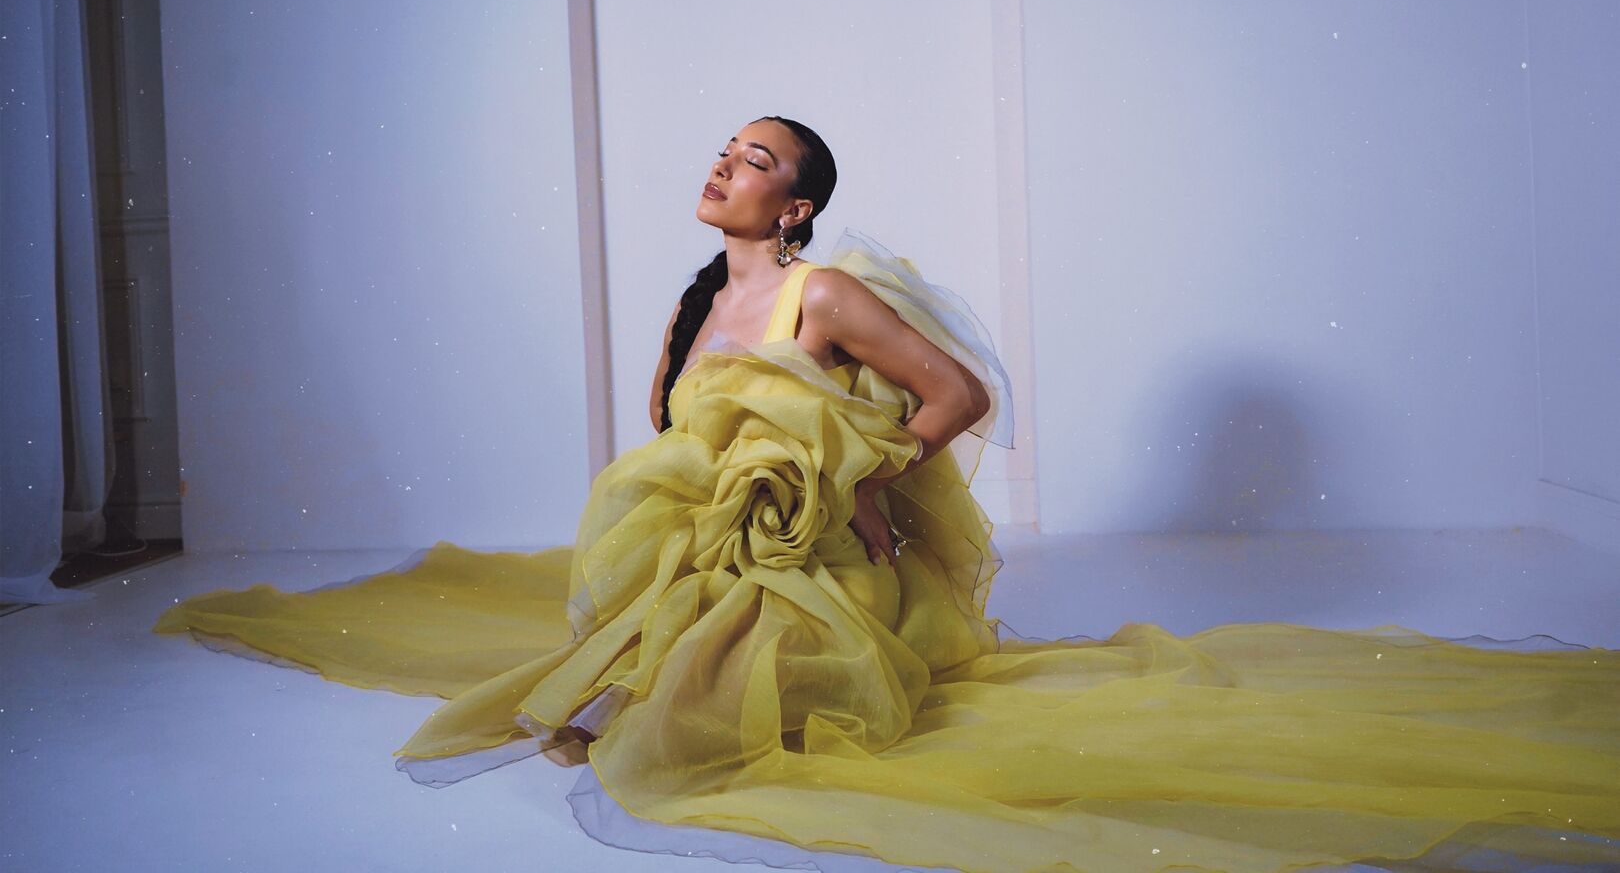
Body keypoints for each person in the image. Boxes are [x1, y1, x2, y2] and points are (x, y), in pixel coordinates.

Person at [154, 116, 1620, 872]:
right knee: (585, 713)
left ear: (797, 206)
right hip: (709, 546)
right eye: (726, 148)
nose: (729, 166)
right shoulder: (686, 306)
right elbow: (668, 440)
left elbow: (959, 399)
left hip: (820, 552)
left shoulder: (825, 293)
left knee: (689, 727)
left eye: (761, 160)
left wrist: (859, 470)